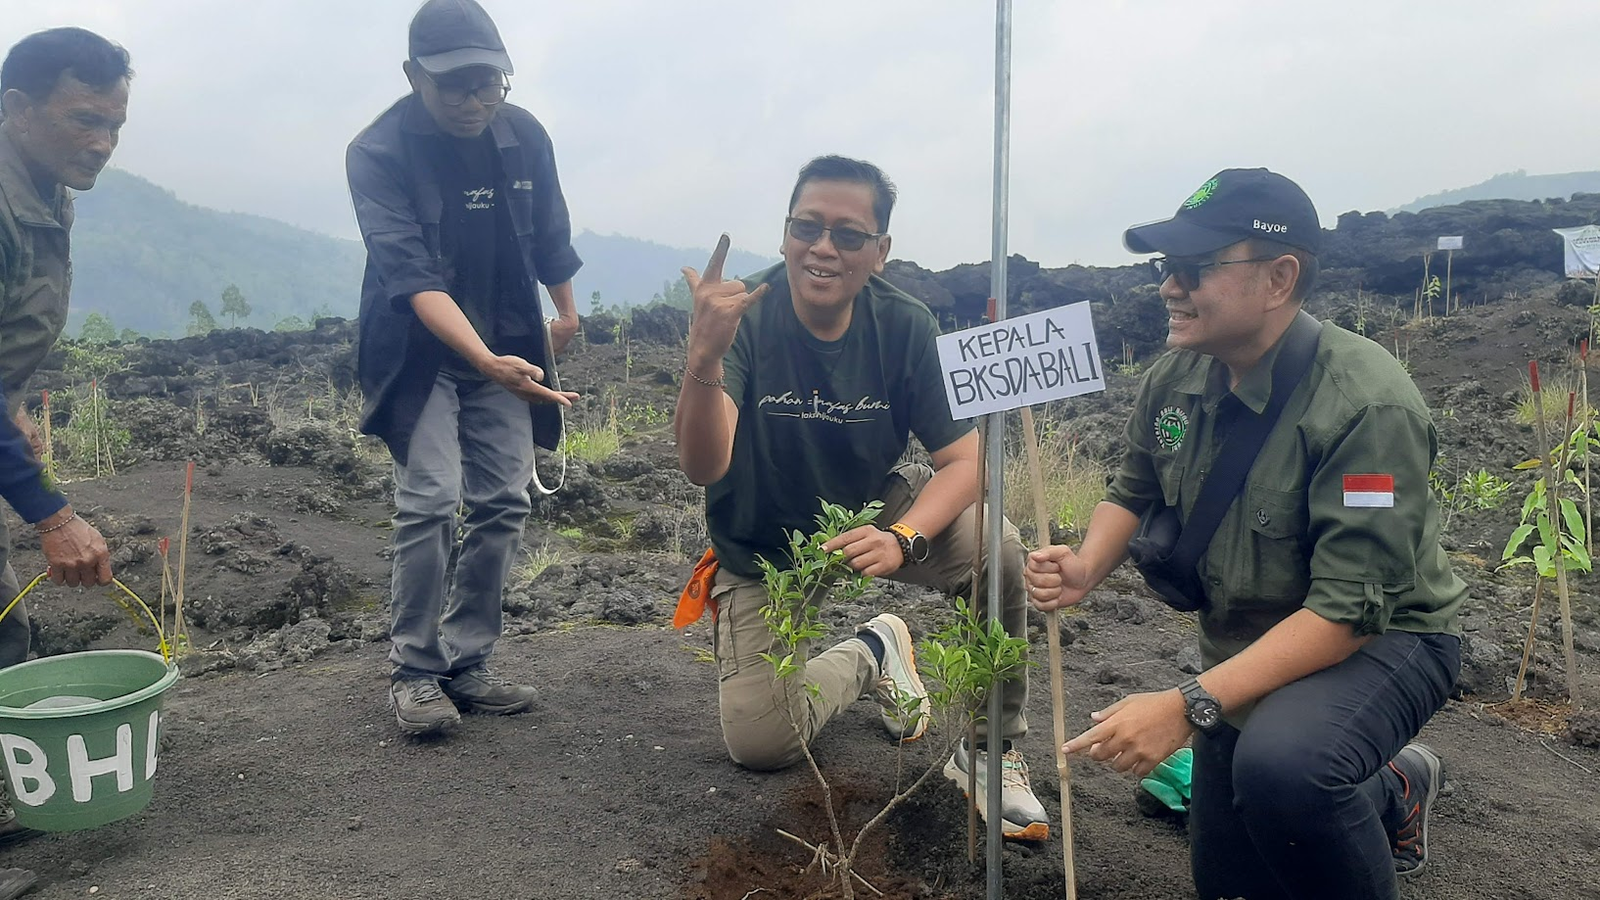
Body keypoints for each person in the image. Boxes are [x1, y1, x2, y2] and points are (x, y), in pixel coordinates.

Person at [1025, 168, 1464, 899]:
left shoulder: (1367, 405)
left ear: (1279, 277)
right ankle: (1392, 790)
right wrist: (1084, 567)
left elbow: (1350, 610)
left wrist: (1188, 704)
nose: (1169, 286)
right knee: (1231, 880)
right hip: (1250, 646)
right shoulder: (1177, 378)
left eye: (1195, 268)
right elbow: (1133, 489)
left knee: (1286, 772)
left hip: (1387, 639)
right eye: (1166, 267)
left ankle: (1360, 780)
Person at [673, 155, 1049, 841]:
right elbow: (705, 464)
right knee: (762, 746)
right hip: (765, 548)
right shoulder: (745, 320)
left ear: (880, 253)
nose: (823, 247)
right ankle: (874, 652)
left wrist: (905, 537)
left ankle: (991, 747)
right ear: (785, 234)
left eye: (848, 235)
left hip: (872, 519)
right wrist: (702, 361)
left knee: (998, 544)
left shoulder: (903, 325)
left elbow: (967, 463)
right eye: (807, 227)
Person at [347, 0, 582, 737]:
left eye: (490, 83)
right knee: (429, 497)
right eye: (456, 86)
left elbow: (550, 234)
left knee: (505, 500)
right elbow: (412, 278)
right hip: (419, 355)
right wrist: (484, 358)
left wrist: (565, 315)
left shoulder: (522, 135)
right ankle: (415, 671)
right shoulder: (378, 152)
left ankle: (469, 660)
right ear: (414, 75)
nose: (476, 100)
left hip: (508, 340)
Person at [0, 25, 131, 896]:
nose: (104, 143)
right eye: (86, 120)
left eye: (116, 125)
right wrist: (52, 513)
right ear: (15, 109)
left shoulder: (45, 187)